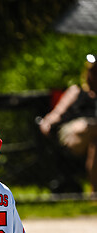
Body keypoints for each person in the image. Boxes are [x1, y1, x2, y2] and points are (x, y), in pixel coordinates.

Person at [39, 54, 97, 192]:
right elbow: (56, 114)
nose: (95, 74)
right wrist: (47, 122)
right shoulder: (76, 91)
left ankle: (95, 192)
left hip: (93, 139)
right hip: (73, 134)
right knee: (91, 127)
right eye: (93, 70)